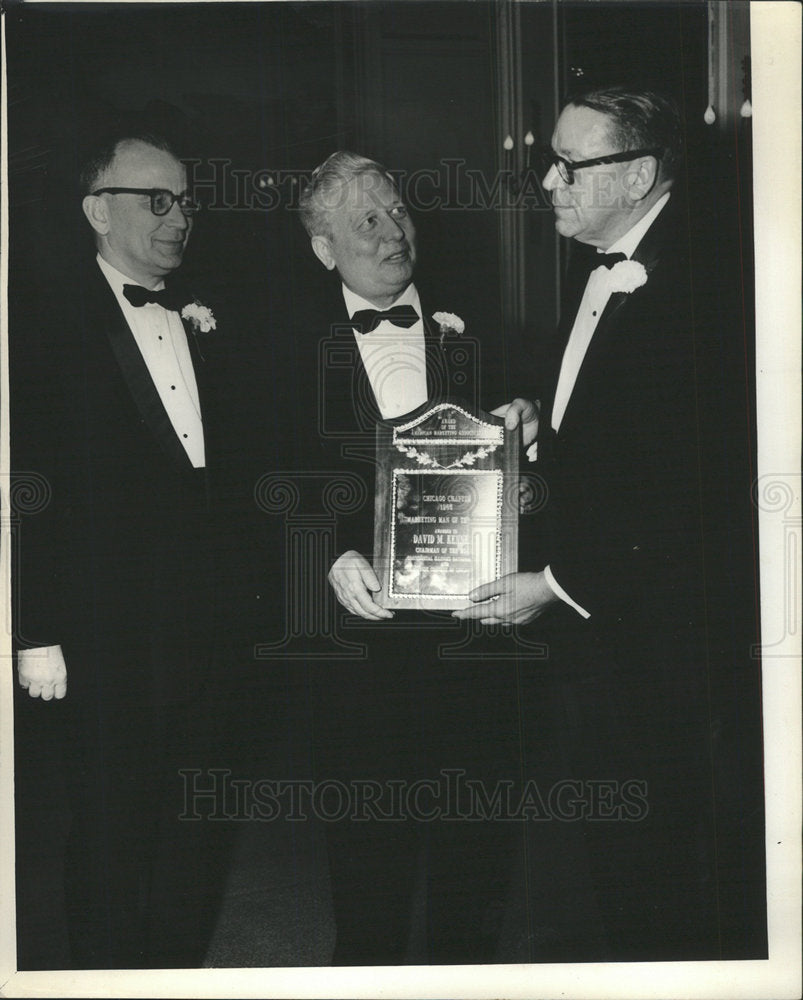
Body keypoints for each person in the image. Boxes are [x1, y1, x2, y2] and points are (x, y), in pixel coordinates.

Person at [455, 87, 756, 960]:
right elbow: (628, 432)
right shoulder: (604, 266)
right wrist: (540, 417)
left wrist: (554, 584)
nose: (546, 181)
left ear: (639, 176)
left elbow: (703, 495)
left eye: (567, 165)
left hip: (663, 644)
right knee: (617, 863)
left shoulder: (704, 284)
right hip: (607, 636)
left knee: (664, 870)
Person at [10, 131, 253, 968]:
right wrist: (33, 630)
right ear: (94, 211)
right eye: (156, 199)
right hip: (105, 638)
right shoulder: (41, 325)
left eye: (185, 199)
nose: (179, 217)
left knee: (196, 833)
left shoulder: (214, 319)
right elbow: (27, 486)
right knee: (112, 839)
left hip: (212, 638)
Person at [288, 151, 518, 964]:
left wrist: (528, 475)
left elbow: (548, 467)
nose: (394, 232)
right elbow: (261, 479)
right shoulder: (283, 343)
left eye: (398, 213)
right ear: (324, 249)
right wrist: (325, 554)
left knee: (475, 862)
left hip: (477, 639)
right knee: (366, 866)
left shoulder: (486, 324)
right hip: (358, 653)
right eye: (367, 222)